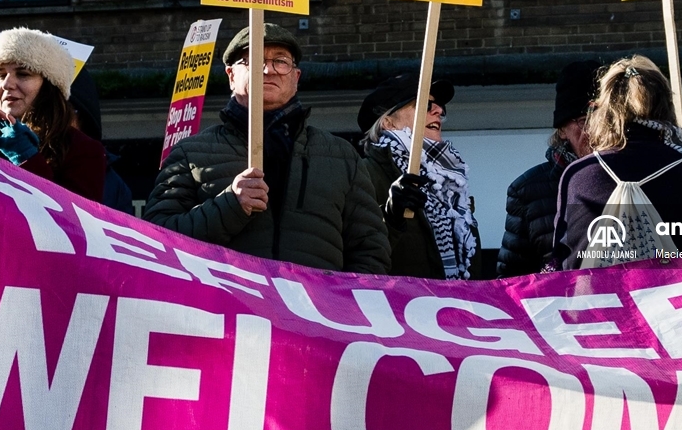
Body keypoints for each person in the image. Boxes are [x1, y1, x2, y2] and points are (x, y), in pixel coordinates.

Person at [144, 23, 390, 274]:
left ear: (296, 77)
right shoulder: (190, 154)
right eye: (254, 60)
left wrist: (342, 305)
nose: (268, 70)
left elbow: (370, 249)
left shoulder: (341, 156)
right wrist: (230, 205)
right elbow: (156, 240)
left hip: (314, 310)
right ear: (231, 76)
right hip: (229, 309)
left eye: (281, 61)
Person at [551, 55, 682, 269]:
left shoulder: (581, 176)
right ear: (666, 105)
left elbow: (564, 266)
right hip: (679, 300)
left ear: (604, 111)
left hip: (607, 300)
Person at [357, 73, 481, 280]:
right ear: (388, 122)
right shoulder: (363, 174)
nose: (439, 111)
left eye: (440, 107)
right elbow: (357, 255)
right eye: (425, 104)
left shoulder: (450, 186)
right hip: (396, 308)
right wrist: (391, 216)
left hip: (451, 308)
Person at [0, 27, 106, 202]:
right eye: (0, 75)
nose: (7, 84)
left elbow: (74, 220)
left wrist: (27, 158)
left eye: (23, 74)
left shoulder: (82, 150)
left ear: (49, 86)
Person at [498, 60, 599, 277]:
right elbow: (513, 282)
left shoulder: (634, 179)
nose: (597, 131)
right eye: (584, 121)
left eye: (605, 119)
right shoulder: (527, 190)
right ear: (562, 130)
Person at [69, 70, 135, 214]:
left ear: (84, 120)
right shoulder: (16, 162)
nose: (53, 122)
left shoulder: (113, 185)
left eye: (64, 114)